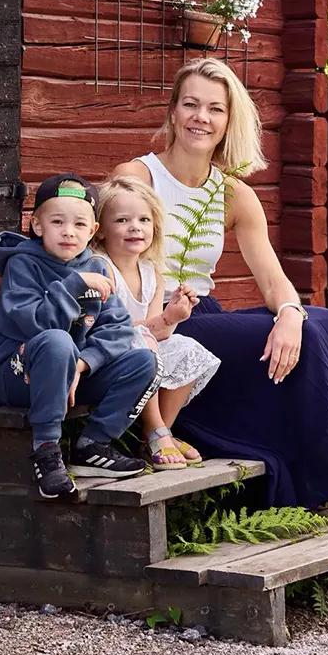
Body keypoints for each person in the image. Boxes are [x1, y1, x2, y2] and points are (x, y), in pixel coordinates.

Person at [114, 58, 328, 538]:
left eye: (215, 109)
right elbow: (110, 256)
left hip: (204, 312)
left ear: (228, 121)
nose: (201, 117)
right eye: (191, 104)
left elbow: (273, 278)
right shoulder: (139, 175)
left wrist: (290, 314)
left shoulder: (233, 193)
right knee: (316, 338)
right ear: (173, 111)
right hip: (162, 319)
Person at [0, 173, 160, 500]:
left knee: (144, 360)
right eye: (57, 222)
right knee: (57, 340)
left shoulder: (97, 267)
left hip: (69, 375)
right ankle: (47, 450)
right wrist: (74, 285)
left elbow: (118, 329)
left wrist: (81, 364)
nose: (68, 231)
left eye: (79, 224)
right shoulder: (22, 266)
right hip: (14, 376)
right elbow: (37, 324)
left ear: (92, 231)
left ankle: (92, 444)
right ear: (37, 226)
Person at [93, 176, 220, 470]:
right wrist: (163, 319)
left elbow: (156, 331)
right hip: (105, 353)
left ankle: (161, 432)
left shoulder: (151, 272)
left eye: (144, 220)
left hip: (141, 347)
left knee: (187, 349)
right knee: (143, 346)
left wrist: (174, 316)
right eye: (122, 220)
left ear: (155, 227)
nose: (135, 227)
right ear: (99, 231)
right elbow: (116, 329)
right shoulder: (100, 268)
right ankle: (155, 430)